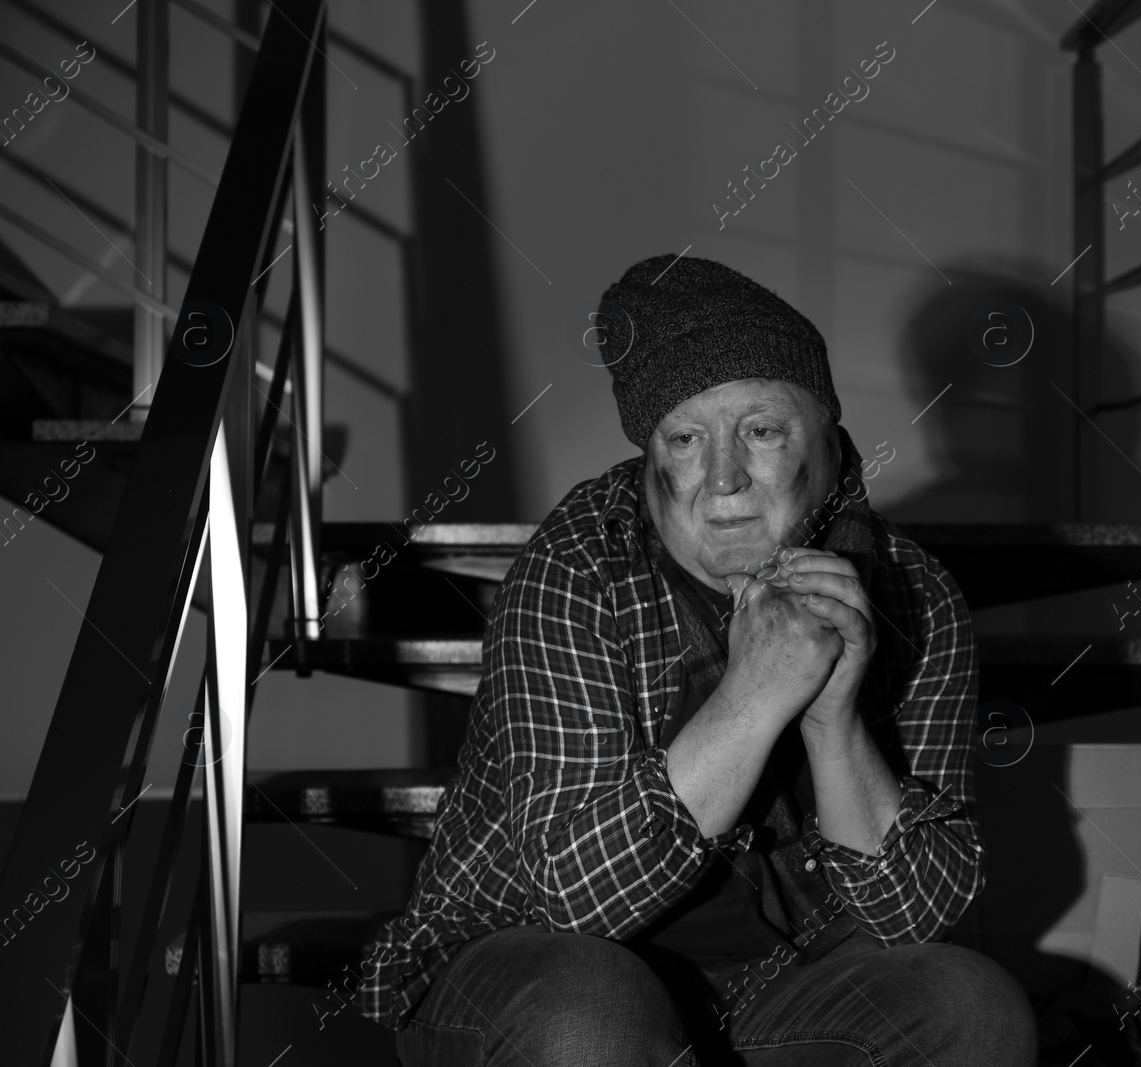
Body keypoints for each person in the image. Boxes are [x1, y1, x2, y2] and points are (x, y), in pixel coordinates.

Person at [359, 254, 1037, 1065]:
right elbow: (579, 897)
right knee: (593, 1018)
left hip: (778, 982)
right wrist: (752, 698)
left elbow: (915, 921)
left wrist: (833, 721)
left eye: (761, 431)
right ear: (651, 459)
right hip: (523, 962)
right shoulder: (576, 568)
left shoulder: (913, 593)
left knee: (973, 1007)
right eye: (686, 438)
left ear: (830, 439)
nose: (724, 479)